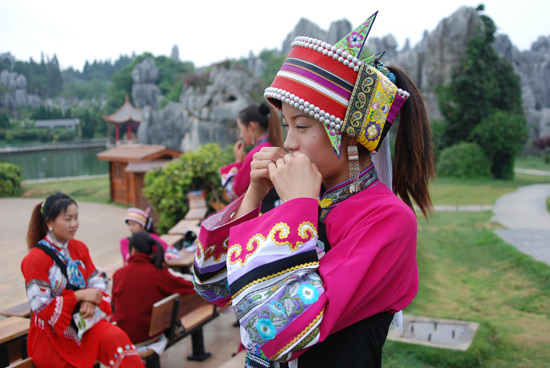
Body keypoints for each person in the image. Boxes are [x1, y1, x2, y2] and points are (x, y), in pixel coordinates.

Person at [193, 11, 434, 368]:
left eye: (302, 126)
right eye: (286, 125)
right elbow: (212, 286)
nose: (288, 142)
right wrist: (254, 197)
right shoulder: (296, 196)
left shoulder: (389, 221)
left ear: (352, 138)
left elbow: (278, 331)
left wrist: (297, 208)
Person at [22, 192, 144, 368]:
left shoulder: (79, 248)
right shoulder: (35, 259)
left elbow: (96, 279)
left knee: (117, 339)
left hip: (84, 323)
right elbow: (41, 306)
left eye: (76, 218)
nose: (74, 224)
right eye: (68, 219)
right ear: (49, 222)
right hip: (52, 335)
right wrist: (81, 296)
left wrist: (92, 301)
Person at [111, 230, 195, 345]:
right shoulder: (159, 273)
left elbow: (115, 305)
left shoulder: (118, 275)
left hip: (127, 334)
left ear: (133, 250)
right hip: (151, 333)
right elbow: (190, 286)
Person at [220, 102, 284, 213]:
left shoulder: (257, 154)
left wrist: (238, 161)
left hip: (263, 213)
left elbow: (235, 192)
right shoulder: (272, 147)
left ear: (252, 126)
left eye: (241, 129)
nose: (241, 135)